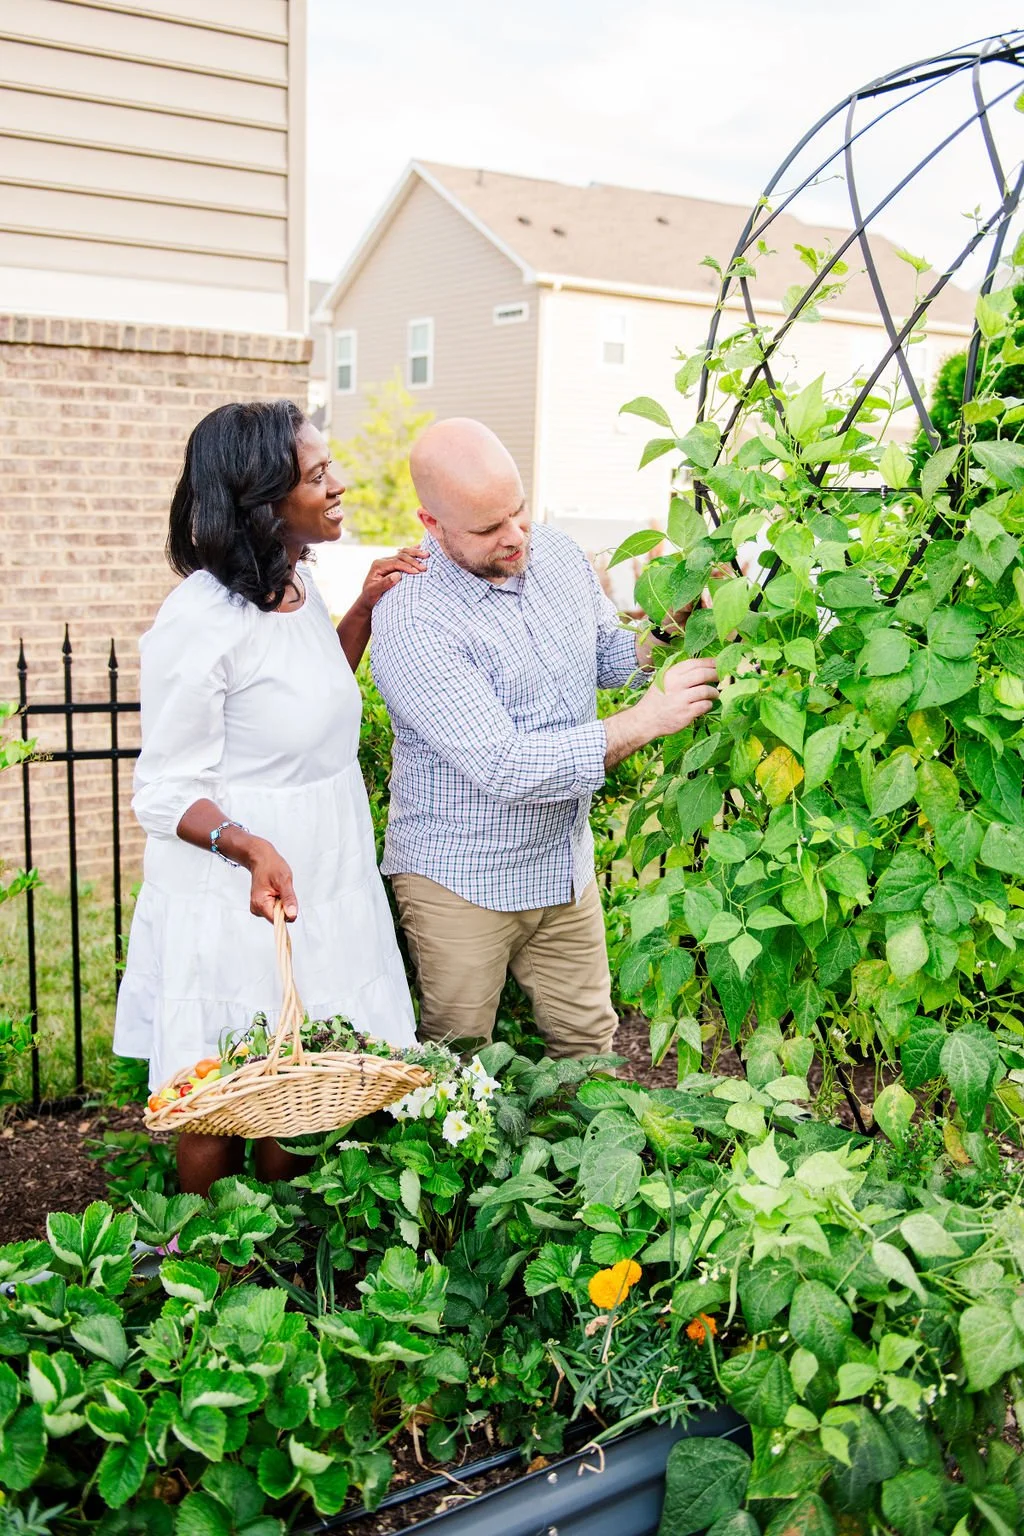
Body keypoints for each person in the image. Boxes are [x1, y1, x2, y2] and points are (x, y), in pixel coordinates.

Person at [113, 400, 423, 1195]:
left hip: (321, 858)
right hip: (238, 883)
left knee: (299, 1066)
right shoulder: (200, 621)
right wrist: (249, 846)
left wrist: (361, 610)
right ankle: (210, 1262)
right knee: (222, 1080)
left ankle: (279, 1250)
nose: (340, 483)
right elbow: (163, 790)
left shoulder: (298, 584)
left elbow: (305, 709)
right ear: (260, 501)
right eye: (318, 475)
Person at [370, 418, 718, 1060]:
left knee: (589, 1045)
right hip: (462, 877)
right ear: (431, 522)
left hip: (561, 864)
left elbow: (609, 656)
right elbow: (505, 765)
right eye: (487, 528)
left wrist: (668, 629)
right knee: (456, 1065)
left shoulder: (555, 554)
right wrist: (644, 720)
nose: (515, 537)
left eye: (519, 511)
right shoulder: (413, 620)